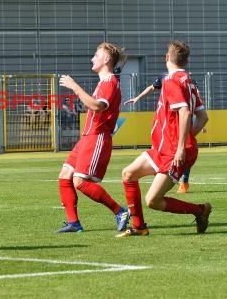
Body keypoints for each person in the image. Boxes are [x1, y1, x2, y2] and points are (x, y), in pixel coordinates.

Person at [118, 40, 210, 237]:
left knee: (153, 201)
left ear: (167, 58)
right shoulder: (189, 81)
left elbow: (184, 112)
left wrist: (181, 147)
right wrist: (186, 140)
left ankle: (200, 210)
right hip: (162, 148)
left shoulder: (171, 81)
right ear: (186, 61)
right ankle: (139, 227)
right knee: (128, 174)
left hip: (172, 152)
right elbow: (203, 117)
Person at [56, 42, 130, 233]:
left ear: (106, 59)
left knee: (80, 182)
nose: (92, 58)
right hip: (87, 137)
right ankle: (74, 223)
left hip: (97, 137)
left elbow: (98, 106)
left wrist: (75, 87)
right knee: (65, 175)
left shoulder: (110, 82)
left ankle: (120, 211)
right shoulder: (103, 82)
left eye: (96, 55)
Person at [124, 74, 204, 194]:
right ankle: (165, 175)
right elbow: (152, 87)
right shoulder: (165, 79)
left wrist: (195, 125)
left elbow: (196, 102)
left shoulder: (187, 82)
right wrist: (138, 98)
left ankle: (183, 181)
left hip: (182, 117)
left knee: (183, 151)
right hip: (168, 121)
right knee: (159, 151)